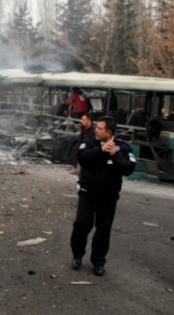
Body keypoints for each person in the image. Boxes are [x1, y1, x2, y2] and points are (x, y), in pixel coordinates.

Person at [70, 116, 136, 276]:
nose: (96, 130)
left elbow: (129, 168)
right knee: (81, 225)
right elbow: (81, 158)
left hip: (108, 198)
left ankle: (98, 262)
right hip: (88, 194)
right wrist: (100, 150)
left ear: (109, 132)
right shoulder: (89, 142)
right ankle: (77, 256)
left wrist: (115, 155)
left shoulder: (122, 147)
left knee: (103, 230)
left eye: (99, 128)